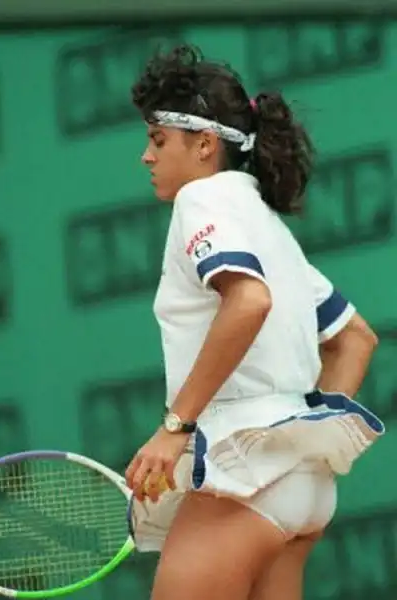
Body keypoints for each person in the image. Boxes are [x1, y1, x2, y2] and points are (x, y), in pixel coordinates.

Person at [125, 44, 384, 600]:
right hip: (303, 493)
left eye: (158, 140)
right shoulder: (270, 228)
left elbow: (248, 301)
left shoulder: (200, 200)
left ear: (204, 144)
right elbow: (356, 339)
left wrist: (175, 427)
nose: (146, 157)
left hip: (245, 482)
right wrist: (303, 446)